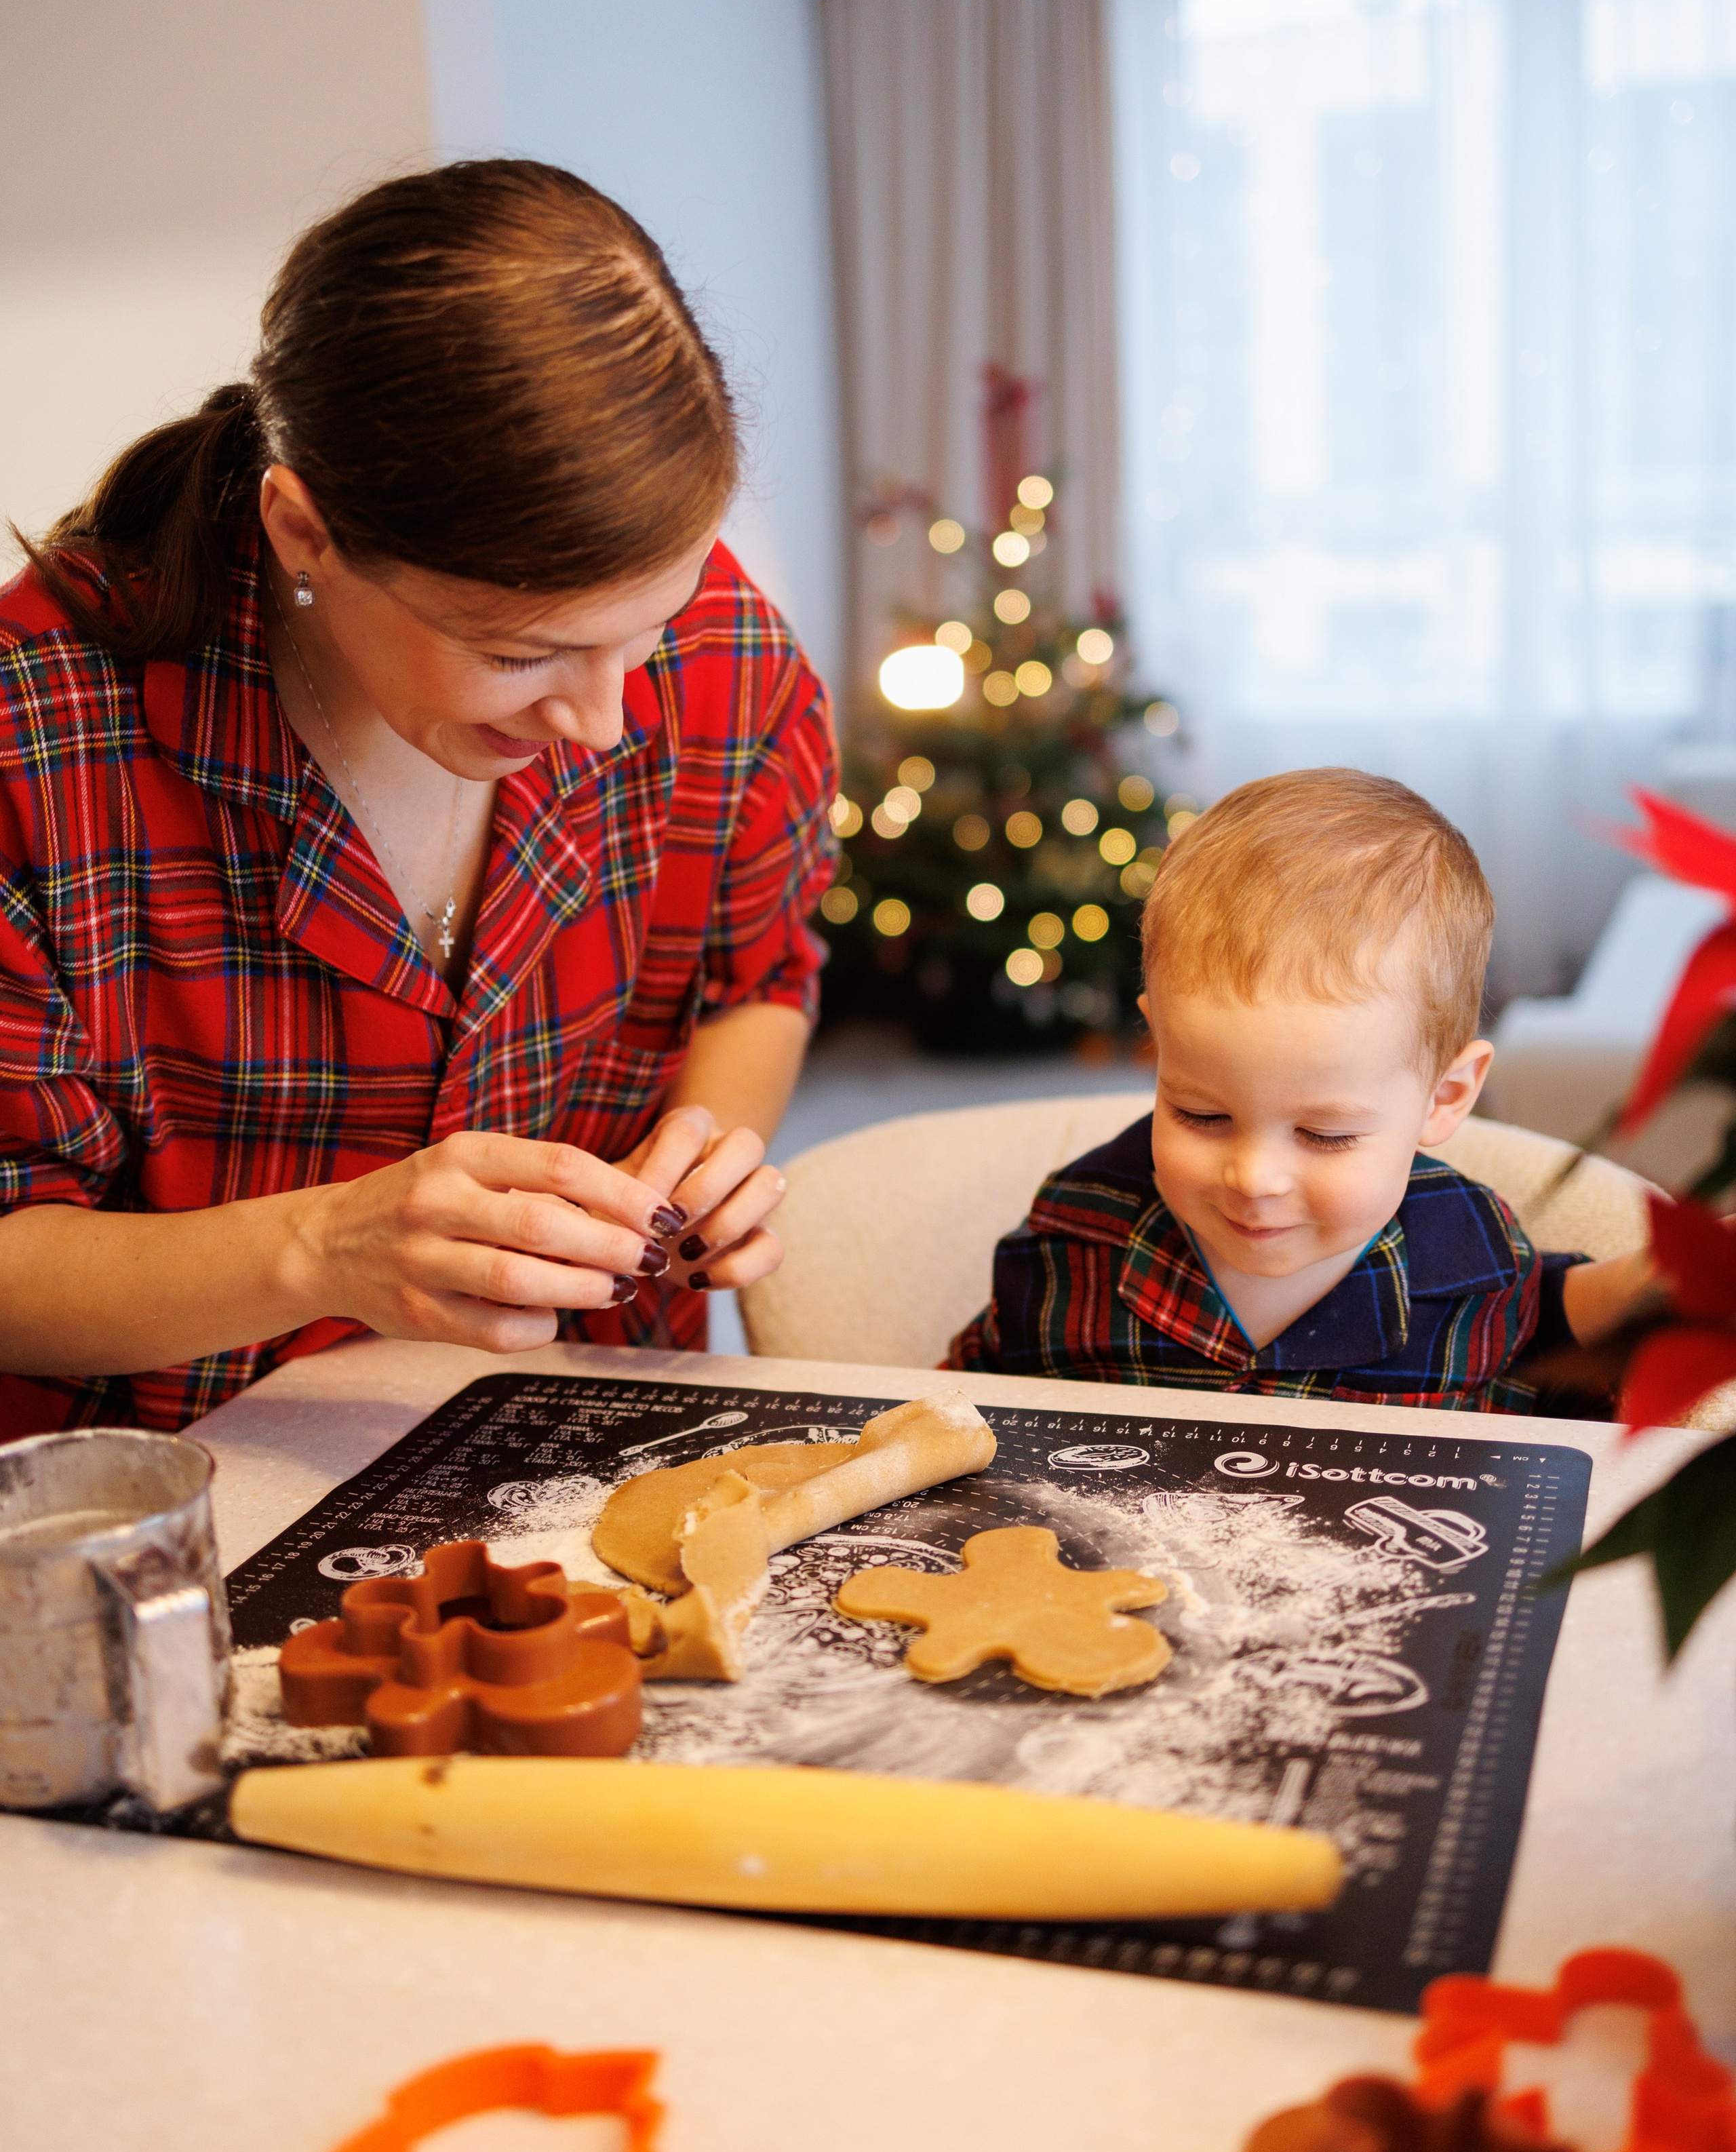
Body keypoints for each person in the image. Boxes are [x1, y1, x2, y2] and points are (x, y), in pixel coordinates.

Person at [0, 159, 837, 1436]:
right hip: (179, 1486)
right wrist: (324, 1249)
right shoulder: (39, 736)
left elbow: (753, 981)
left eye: (647, 628)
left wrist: (701, 1158)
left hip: (590, 1434)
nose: (603, 721)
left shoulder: (730, 658)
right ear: (303, 531)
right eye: (516, 654)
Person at [948, 769, 1651, 1411]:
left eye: (1325, 1134)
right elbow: (959, 1411)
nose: (1253, 1178)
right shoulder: (1073, 1233)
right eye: (1201, 1114)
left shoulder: (1467, 1254)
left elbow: (1553, 1356)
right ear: (1157, 1043)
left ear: (1444, 1097)